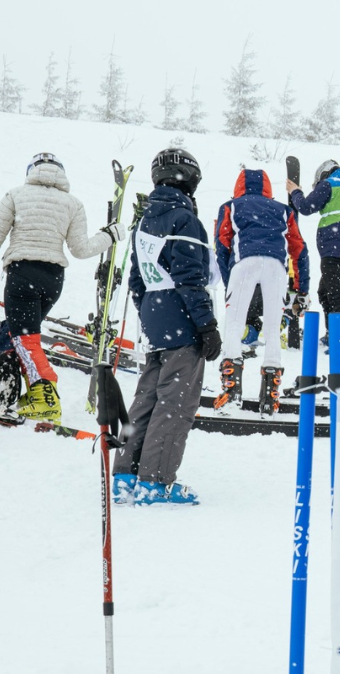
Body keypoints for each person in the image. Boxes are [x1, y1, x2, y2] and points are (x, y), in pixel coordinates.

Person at [112, 148, 221, 506]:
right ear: (188, 178)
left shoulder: (145, 220)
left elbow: (137, 279)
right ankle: (154, 483)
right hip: (181, 321)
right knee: (175, 404)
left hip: (156, 321)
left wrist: (150, 314)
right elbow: (191, 278)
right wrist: (206, 326)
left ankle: (126, 474)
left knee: (146, 398)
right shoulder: (183, 219)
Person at [0, 152, 121, 421]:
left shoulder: (16, 195)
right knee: (10, 334)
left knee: (24, 339)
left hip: (22, 274)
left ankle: (45, 393)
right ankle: (8, 396)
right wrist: (110, 235)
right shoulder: (72, 203)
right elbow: (81, 249)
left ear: (32, 170)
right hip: (53, 279)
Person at [213, 168, 310, 413]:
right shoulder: (283, 210)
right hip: (276, 267)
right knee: (272, 329)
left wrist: (229, 282)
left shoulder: (230, 206)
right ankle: (270, 395)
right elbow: (299, 248)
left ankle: (231, 389)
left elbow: (222, 246)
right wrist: (301, 288)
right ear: (268, 187)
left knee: (234, 324)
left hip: (245, 261)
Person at [287, 160, 340, 356]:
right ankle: (335, 333)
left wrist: (295, 192)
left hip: (336, 249)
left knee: (339, 295)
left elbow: (307, 207)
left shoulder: (330, 185)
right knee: (326, 291)